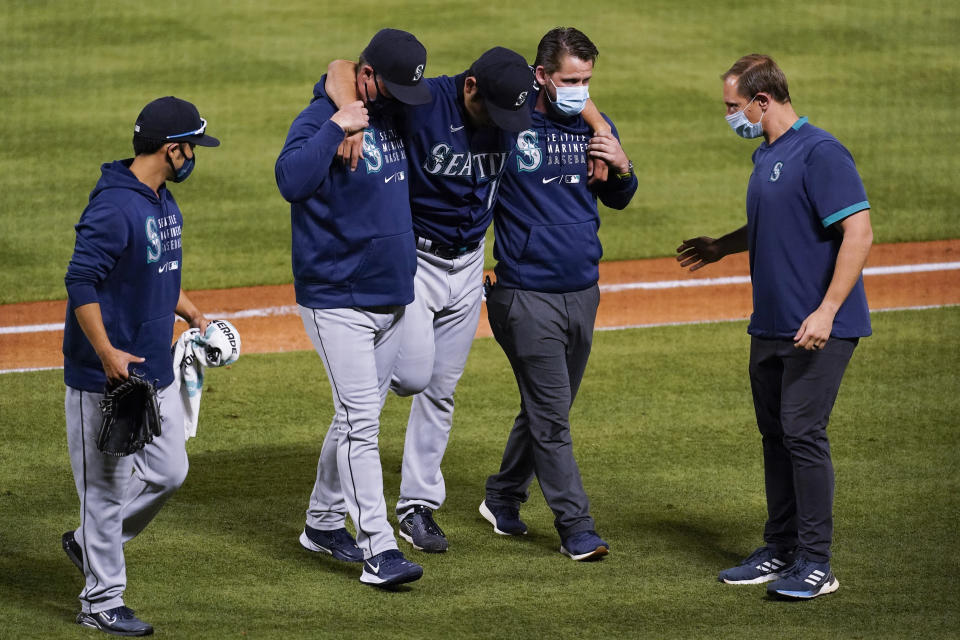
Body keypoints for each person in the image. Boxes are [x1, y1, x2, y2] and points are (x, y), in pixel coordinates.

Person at [326, 45, 612, 554]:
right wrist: (350, 121)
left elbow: (569, 91)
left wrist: (602, 128)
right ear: (471, 87)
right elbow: (344, 68)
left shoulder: (511, 98)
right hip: (413, 260)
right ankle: (326, 512)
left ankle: (417, 507)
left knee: (441, 389)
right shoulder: (424, 100)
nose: (505, 123)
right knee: (394, 384)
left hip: (468, 265)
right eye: (494, 112)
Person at [676, 54, 873, 599]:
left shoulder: (821, 152)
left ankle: (816, 561)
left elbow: (858, 233)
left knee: (803, 434)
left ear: (763, 101)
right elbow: (779, 220)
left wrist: (828, 310)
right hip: (770, 324)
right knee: (776, 437)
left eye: (733, 107)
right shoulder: (768, 154)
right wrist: (724, 246)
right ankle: (782, 546)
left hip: (818, 325)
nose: (730, 117)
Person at [275, 28, 432, 588]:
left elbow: (343, 65)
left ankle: (321, 521)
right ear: (367, 76)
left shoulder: (394, 108)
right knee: (362, 422)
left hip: (392, 295)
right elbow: (289, 180)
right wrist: (338, 123)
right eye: (388, 87)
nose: (399, 100)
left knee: (359, 414)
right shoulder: (319, 118)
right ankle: (378, 549)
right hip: (337, 298)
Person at [61, 96, 219, 636]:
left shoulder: (161, 200)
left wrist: (191, 310)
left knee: (170, 472)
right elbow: (80, 282)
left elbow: (154, 271)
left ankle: (88, 542)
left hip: (155, 373)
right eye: (192, 146)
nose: (195, 155)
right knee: (104, 493)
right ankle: (101, 602)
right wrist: (106, 354)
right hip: (104, 378)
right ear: (171, 148)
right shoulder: (114, 206)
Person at [478, 27, 637, 561]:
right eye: (570, 79)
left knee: (549, 406)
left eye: (587, 80)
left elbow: (619, 198)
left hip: (583, 291)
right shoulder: (508, 122)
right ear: (541, 76)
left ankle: (502, 497)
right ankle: (577, 528)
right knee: (552, 418)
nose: (580, 89)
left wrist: (622, 163)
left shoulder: (594, 122)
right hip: (525, 295)